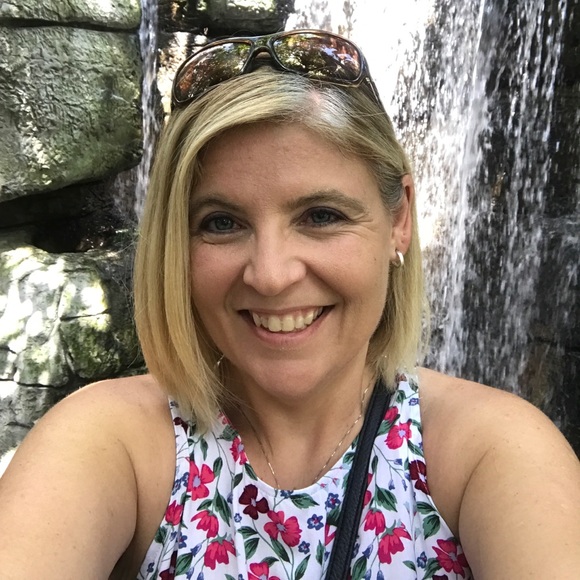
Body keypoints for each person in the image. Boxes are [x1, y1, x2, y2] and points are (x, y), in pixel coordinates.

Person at [0, 29, 578, 580]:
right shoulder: (111, 442)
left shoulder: (492, 453)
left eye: (321, 216)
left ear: (399, 219)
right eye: (221, 223)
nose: (272, 276)